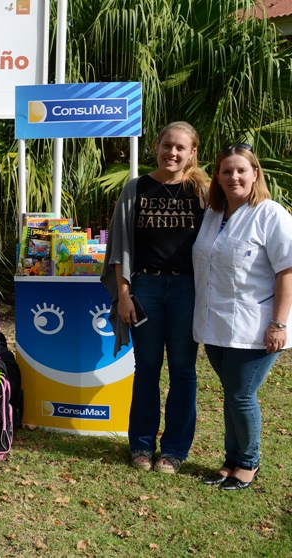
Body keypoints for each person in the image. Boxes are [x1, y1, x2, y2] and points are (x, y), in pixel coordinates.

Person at [101, 121, 208, 474]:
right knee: (145, 369)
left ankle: (174, 450)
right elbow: (119, 247)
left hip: (187, 290)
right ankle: (142, 446)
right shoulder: (136, 189)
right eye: (167, 145)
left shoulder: (204, 192)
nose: (172, 153)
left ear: (192, 152)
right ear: (156, 147)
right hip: (145, 288)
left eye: (180, 148)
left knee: (182, 370)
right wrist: (124, 295)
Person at [192, 143, 292, 490]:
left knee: (241, 394)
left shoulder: (271, 214)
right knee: (232, 391)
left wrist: (279, 324)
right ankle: (231, 460)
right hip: (217, 323)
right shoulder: (213, 216)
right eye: (226, 171)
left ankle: (248, 463)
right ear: (217, 178)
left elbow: (287, 271)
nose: (234, 176)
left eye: (241, 170)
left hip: (257, 326)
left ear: (255, 174)